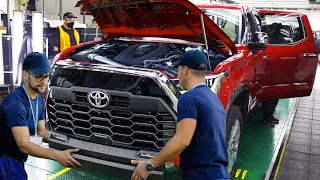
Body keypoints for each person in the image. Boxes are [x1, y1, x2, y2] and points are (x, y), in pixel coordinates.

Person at [131, 50, 229, 180]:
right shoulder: (213, 98)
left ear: (185, 70)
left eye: (178, 69)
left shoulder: (189, 98)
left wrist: (149, 165)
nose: (177, 74)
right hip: (219, 174)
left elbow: (182, 140)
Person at [0, 52, 81, 179]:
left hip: (17, 159)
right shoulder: (15, 103)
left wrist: (67, 142)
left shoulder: (38, 99)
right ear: (25, 75)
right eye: (39, 77)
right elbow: (24, 144)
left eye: (47, 76)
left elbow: (41, 132)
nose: (44, 82)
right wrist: (56, 155)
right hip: (5, 162)